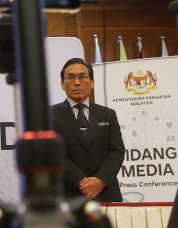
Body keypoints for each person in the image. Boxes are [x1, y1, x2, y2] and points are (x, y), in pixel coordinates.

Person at [50, 58, 125, 202]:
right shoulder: (49, 115)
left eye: (82, 77)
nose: (77, 82)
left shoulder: (108, 114)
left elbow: (117, 151)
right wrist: (80, 180)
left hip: (106, 193)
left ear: (92, 83)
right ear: (62, 84)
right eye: (70, 77)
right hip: (68, 195)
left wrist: (100, 180)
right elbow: (52, 153)